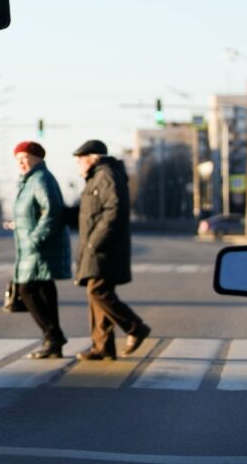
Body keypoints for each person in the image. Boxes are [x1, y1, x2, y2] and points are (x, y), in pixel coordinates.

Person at [71, 139, 150, 361]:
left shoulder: (106, 175)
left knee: (98, 292)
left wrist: (95, 241)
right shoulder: (96, 177)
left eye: (80, 160)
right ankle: (102, 346)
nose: (78, 164)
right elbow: (89, 214)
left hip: (105, 247)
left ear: (92, 158)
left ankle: (135, 327)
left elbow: (114, 208)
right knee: (95, 294)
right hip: (98, 246)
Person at [11, 141, 72, 359]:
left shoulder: (41, 179)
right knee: (44, 289)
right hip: (33, 246)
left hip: (39, 246)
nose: (20, 163)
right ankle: (53, 341)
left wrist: (35, 238)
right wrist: (16, 224)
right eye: (17, 159)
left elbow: (53, 211)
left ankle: (53, 336)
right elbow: (34, 212)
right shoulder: (30, 181)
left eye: (24, 158)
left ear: (37, 158)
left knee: (27, 289)